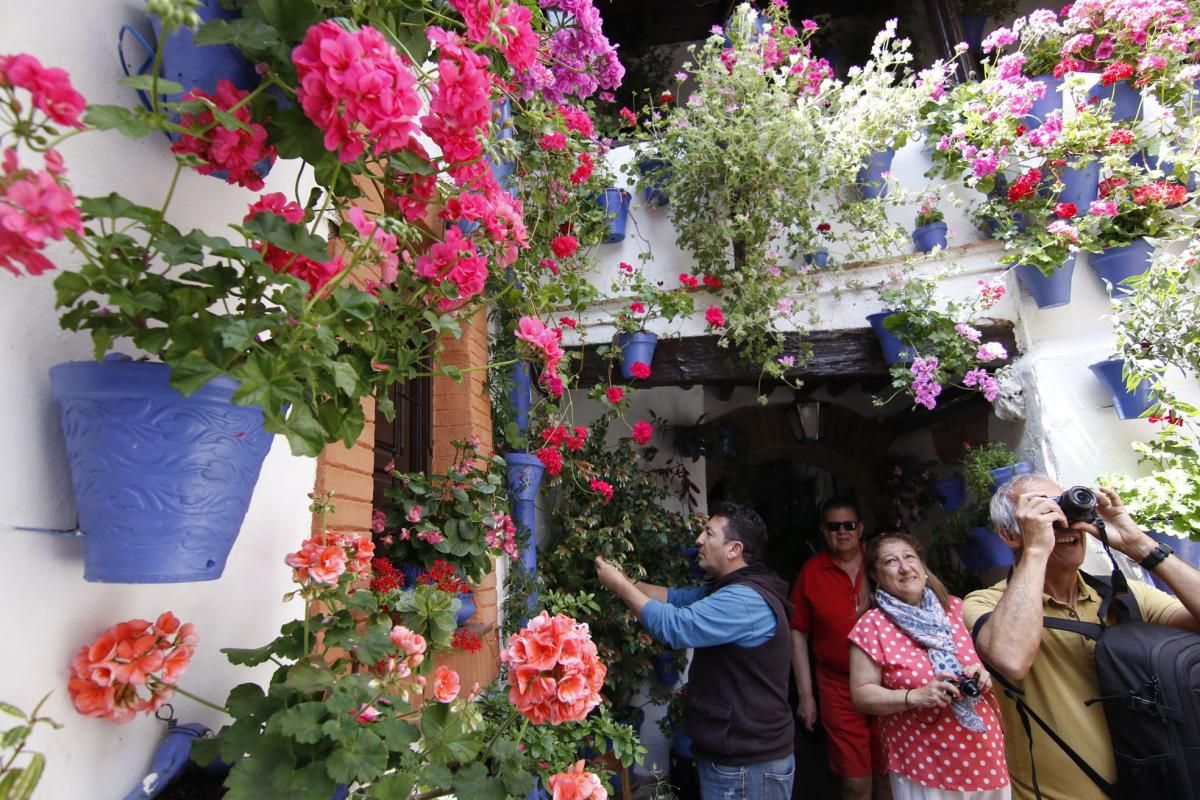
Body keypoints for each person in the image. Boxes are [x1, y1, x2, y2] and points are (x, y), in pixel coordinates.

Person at [963, 474, 1200, 800]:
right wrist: (1035, 550)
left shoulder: (1124, 595)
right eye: (1043, 513)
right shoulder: (987, 604)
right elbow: (1010, 659)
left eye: (1064, 509)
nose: (1064, 523)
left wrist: (1140, 545)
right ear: (1009, 535)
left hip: (1156, 785)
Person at [594, 501, 794, 800]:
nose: (699, 540)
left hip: (748, 765)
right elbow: (672, 599)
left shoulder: (744, 601)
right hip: (735, 756)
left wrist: (621, 585)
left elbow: (675, 627)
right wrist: (626, 580)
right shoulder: (728, 589)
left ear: (734, 549)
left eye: (709, 534)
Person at [848, 532, 1010, 800]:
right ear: (875, 576)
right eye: (890, 561)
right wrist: (916, 696)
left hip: (985, 754)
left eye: (909, 557)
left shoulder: (959, 609)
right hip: (924, 763)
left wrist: (985, 675)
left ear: (922, 567)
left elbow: (998, 663)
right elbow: (861, 694)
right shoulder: (872, 625)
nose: (904, 567)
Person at [790, 499, 887, 800]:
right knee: (855, 783)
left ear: (860, 529)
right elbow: (797, 631)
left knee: (889, 778)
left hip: (888, 683)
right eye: (833, 526)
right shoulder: (812, 572)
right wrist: (806, 696)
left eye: (848, 525)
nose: (841, 532)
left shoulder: (880, 563)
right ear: (823, 531)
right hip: (838, 688)